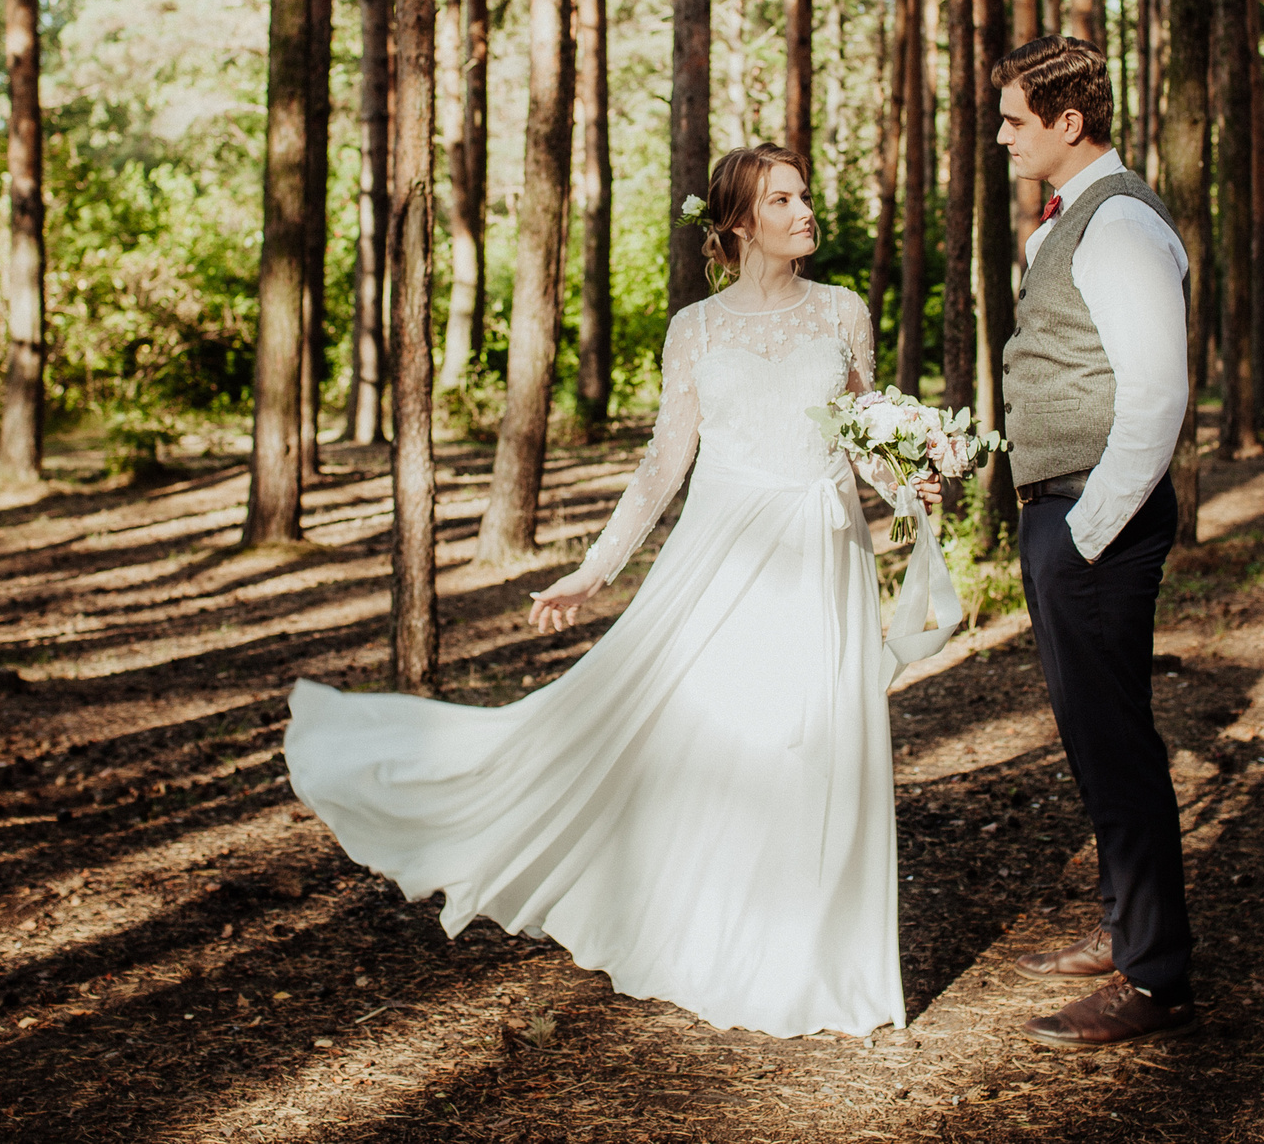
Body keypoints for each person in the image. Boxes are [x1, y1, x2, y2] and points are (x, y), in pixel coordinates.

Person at [285, 144, 937, 1039]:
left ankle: (814, 959)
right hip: (725, 561)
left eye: (805, 194)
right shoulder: (695, 329)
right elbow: (665, 463)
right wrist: (596, 568)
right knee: (735, 739)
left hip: (824, 555)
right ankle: (722, 938)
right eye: (781, 198)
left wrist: (915, 483)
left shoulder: (844, 312)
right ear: (741, 223)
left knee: (817, 743)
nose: (804, 209)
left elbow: (867, 437)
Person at [958, 33, 1199, 1047]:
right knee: (1097, 739)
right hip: (1059, 509)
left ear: (1067, 122)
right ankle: (1121, 929)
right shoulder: (1065, 223)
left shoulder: (1120, 227)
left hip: (1093, 520)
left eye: (1015, 119)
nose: (1002, 136)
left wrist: (1085, 536)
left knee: (1117, 746)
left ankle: (1152, 980)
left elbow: (1157, 394)